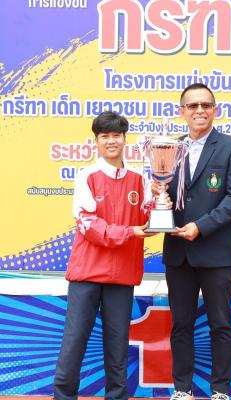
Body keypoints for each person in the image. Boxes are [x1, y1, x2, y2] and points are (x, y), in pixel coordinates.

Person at [53, 111, 157, 400]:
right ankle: (63, 396)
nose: (111, 141)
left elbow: (149, 222)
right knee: (75, 340)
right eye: (105, 136)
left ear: (124, 139)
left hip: (122, 274)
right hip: (87, 272)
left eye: (116, 135)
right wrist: (130, 232)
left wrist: (161, 201)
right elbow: (88, 224)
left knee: (118, 344)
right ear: (96, 141)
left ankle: (117, 396)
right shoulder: (86, 176)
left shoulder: (140, 179)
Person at [158, 83, 231, 400]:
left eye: (206, 105)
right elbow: (164, 193)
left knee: (220, 324)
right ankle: (182, 389)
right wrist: (158, 197)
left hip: (215, 252)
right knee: (181, 324)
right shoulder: (169, 148)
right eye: (193, 105)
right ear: (181, 111)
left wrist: (201, 226)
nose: (200, 110)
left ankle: (220, 390)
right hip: (178, 252)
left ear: (215, 110)